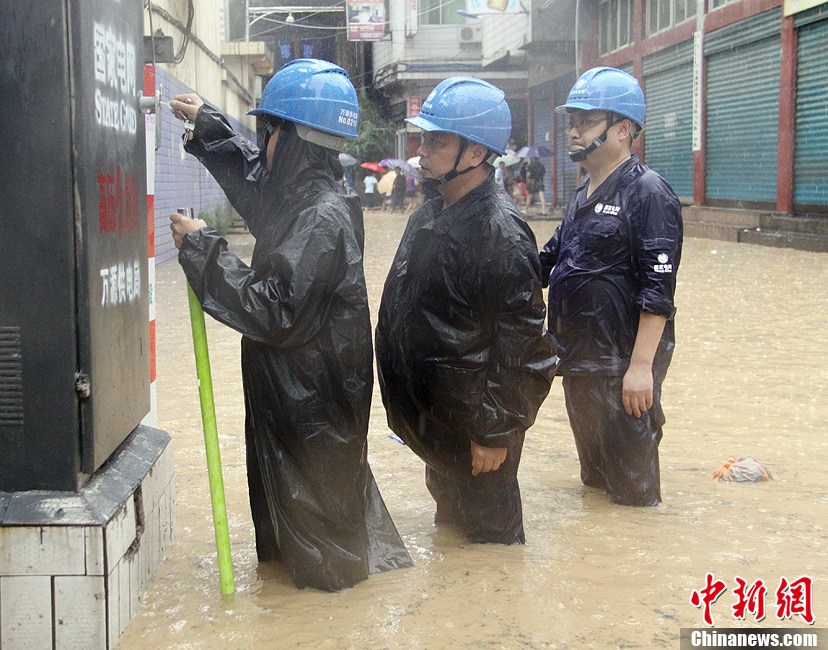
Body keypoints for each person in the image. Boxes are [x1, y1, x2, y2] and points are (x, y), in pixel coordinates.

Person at [167, 59, 412, 591]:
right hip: (294, 400)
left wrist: (202, 250)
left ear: (297, 139)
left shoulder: (321, 218)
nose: (265, 142)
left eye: (270, 130)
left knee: (324, 563)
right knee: (295, 546)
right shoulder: (309, 200)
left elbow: (274, 308)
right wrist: (211, 129)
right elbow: (260, 192)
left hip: (311, 409)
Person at [376, 77, 558, 545]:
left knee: (489, 549)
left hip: (480, 434)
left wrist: (495, 431)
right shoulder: (429, 213)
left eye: (437, 140)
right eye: (422, 137)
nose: (421, 150)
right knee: (452, 539)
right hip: (440, 422)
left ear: (475, 155)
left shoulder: (502, 234)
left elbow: (526, 348)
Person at [540, 67, 683, 507]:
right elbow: (549, 260)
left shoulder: (648, 192)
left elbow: (658, 292)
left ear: (622, 129)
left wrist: (641, 368)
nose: (573, 131)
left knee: (633, 496)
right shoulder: (583, 192)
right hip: (579, 361)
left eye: (585, 121)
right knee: (596, 483)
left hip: (623, 366)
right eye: (572, 121)